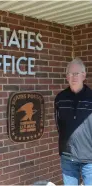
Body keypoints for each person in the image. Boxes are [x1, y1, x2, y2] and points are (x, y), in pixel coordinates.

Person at [54, 57, 92, 185]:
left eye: (77, 73)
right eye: (70, 73)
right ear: (66, 77)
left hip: (90, 158)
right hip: (67, 157)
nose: (74, 76)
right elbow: (59, 125)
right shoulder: (60, 98)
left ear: (84, 75)